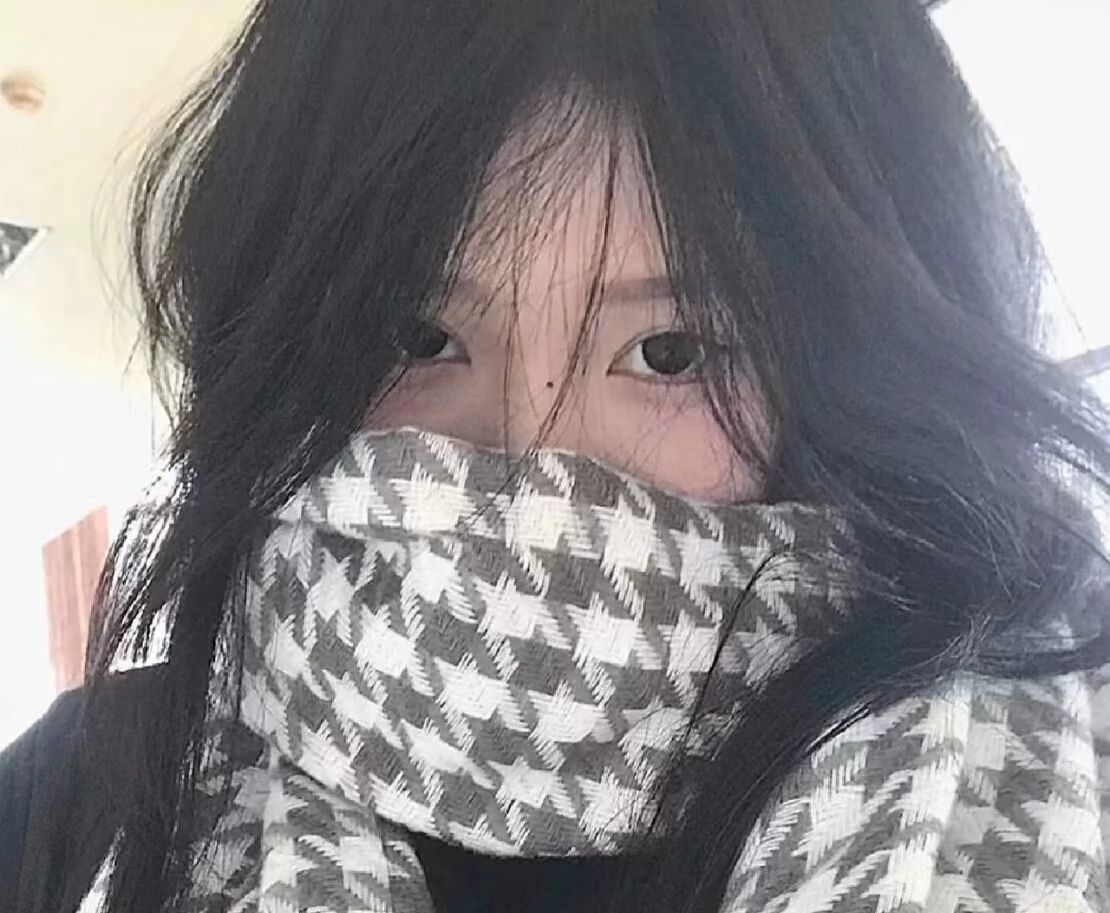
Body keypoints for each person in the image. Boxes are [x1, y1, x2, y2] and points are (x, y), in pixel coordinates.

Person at [3, 2, 1109, 911]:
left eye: (671, 351)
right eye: (417, 336)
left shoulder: (1051, 778)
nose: (537, 469)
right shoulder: (83, 789)